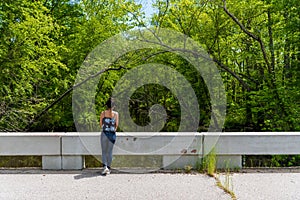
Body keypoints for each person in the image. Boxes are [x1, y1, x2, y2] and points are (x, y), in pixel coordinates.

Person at [100, 97, 118, 175]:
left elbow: (101, 124)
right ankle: (109, 168)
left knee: (104, 151)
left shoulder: (103, 113)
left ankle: (105, 167)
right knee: (110, 151)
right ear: (113, 106)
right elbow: (116, 125)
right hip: (112, 134)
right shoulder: (116, 114)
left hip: (104, 133)